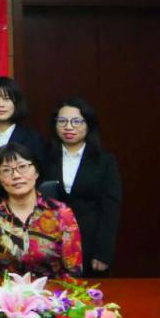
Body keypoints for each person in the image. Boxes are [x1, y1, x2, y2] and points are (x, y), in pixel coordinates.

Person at [0, 143, 82, 279]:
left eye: (23, 167)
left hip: (54, 291)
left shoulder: (61, 213)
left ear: (36, 172)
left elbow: (73, 273)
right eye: (6, 170)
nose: (16, 175)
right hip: (7, 291)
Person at [43, 97, 121, 277]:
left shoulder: (104, 161)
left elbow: (110, 208)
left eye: (76, 121)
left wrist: (103, 252)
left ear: (88, 125)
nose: (68, 127)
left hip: (90, 241)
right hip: (50, 241)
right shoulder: (44, 157)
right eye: (62, 121)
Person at [0, 76, 45, 179]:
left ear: (16, 103)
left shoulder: (33, 138)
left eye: (7, 99)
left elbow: (42, 175)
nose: (0, 104)